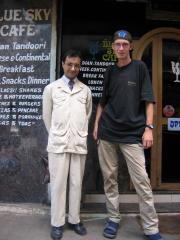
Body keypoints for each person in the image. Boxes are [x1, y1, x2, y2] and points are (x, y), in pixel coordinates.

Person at [93, 30, 163, 240]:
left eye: (125, 44)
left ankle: (151, 228)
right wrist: (97, 124)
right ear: (113, 47)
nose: (121, 48)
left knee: (142, 181)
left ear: (131, 46)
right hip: (107, 132)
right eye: (118, 44)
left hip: (133, 134)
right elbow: (102, 102)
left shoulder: (140, 68)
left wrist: (148, 128)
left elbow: (148, 101)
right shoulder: (109, 71)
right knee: (110, 179)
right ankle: (113, 219)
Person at [42, 49, 92, 240]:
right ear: (62, 64)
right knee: (58, 185)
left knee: (76, 183)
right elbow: (47, 117)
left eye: (77, 65)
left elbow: (87, 115)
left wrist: (77, 132)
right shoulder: (51, 89)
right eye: (69, 64)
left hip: (78, 143)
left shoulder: (85, 90)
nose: (73, 68)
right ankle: (57, 223)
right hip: (58, 143)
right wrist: (58, 133)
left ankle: (75, 220)